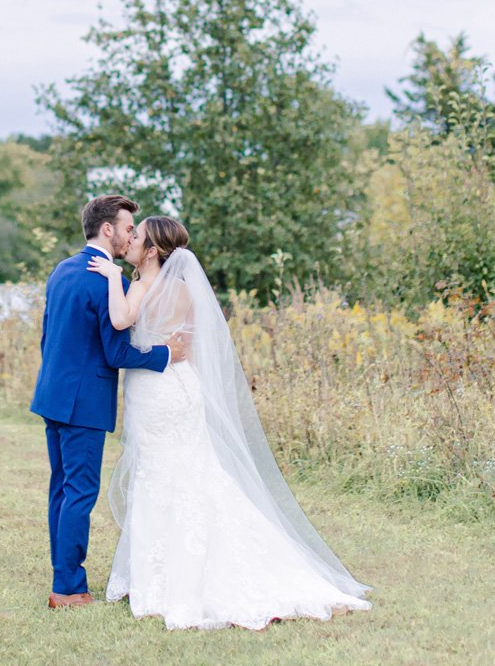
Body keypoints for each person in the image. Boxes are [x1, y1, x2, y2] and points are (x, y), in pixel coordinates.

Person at [87, 216, 372, 629]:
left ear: (151, 251)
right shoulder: (180, 288)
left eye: (137, 236)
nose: (128, 240)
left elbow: (119, 321)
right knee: (183, 474)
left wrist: (113, 277)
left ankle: (171, 581)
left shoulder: (141, 287)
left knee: (162, 477)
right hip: (177, 388)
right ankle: (173, 572)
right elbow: (190, 347)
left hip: (158, 393)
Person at [30, 196, 186, 609]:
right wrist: (165, 354)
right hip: (83, 403)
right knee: (80, 493)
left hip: (53, 395)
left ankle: (64, 579)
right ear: (107, 229)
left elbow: (48, 336)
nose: (131, 236)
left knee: (62, 490)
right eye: (128, 228)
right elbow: (116, 352)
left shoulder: (62, 270)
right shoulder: (105, 280)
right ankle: (68, 589)